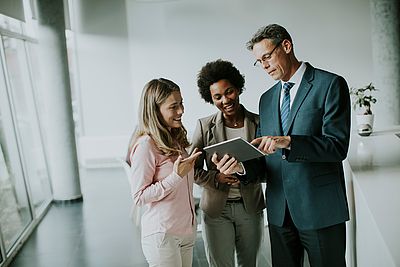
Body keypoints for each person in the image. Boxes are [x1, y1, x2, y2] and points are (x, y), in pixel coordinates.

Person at [213, 24, 351, 267]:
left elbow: (337, 147)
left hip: (320, 210)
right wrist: (239, 168)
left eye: (267, 56)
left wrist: (289, 142)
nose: (264, 66)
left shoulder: (330, 85)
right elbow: (267, 159)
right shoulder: (267, 99)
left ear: (286, 46)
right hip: (280, 213)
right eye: (259, 61)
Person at [189, 59, 265, 267]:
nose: (225, 100)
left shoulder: (260, 123)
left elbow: (270, 168)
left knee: (249, 264)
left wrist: (244, 170)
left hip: (250, 208)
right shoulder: (204, 127)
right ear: (210, 99)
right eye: (217, 97)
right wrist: (216, 177)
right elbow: (191, 170)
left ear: (238, 88)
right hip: (216, 212)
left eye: (229, 91)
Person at [126, 78, 202, 267]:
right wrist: (175, 177)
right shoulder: (146, 145)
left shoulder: (175, 140)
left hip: (185, 231)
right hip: (163, 235)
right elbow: (139, 196)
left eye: (181, 103)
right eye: (174, 106)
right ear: (155, 110)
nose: (181, 111)